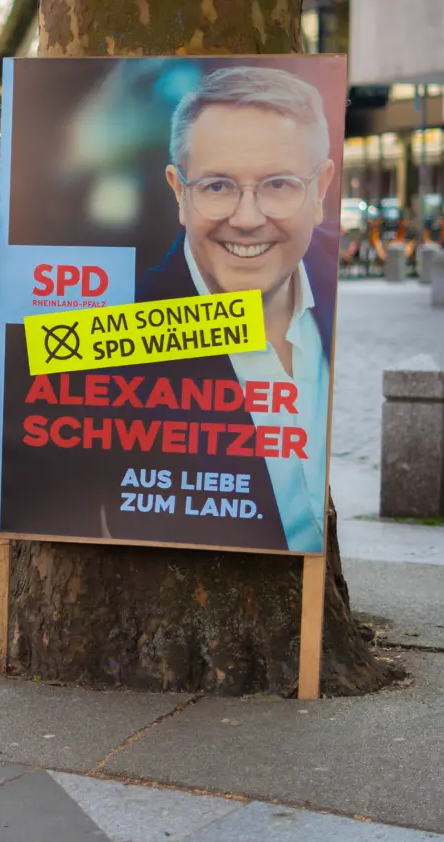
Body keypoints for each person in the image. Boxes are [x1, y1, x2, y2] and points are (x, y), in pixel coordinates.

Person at [135, 65, 338, 553]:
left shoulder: (334, 278)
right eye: (218, 186)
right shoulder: (119, 336)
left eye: (279, 184)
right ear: (179, 192)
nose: (247, 219)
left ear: (320, 190)